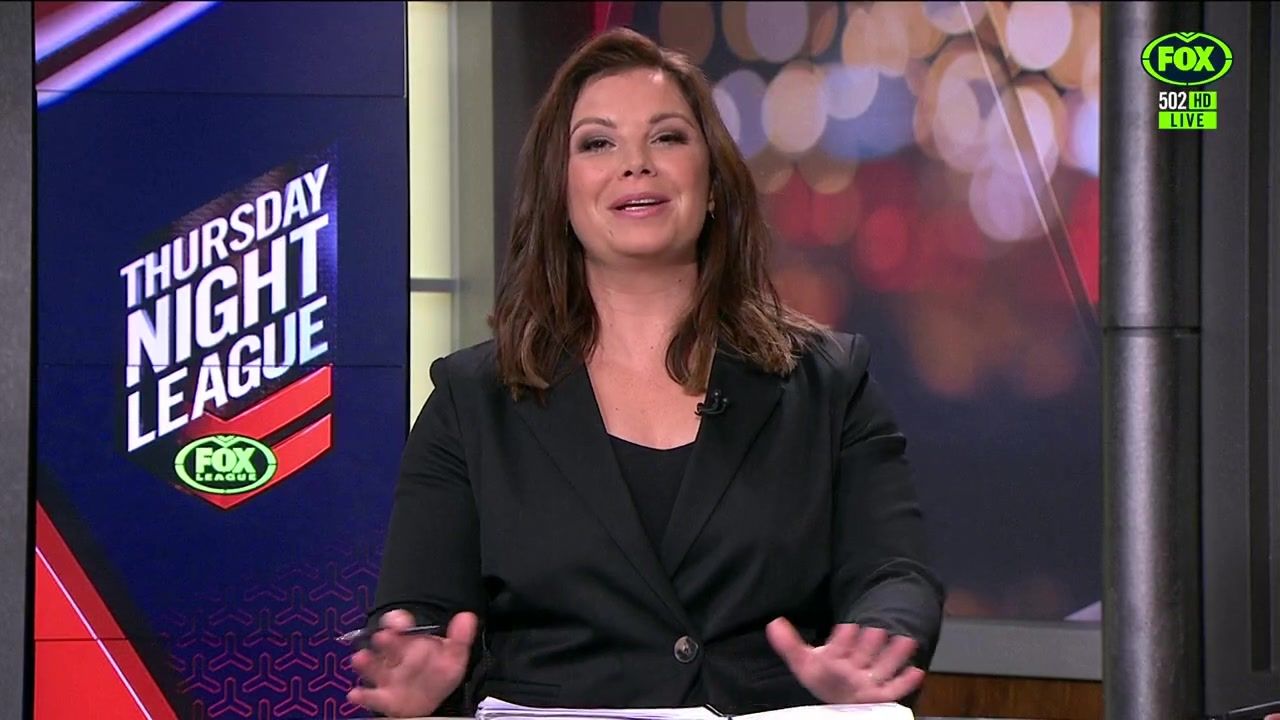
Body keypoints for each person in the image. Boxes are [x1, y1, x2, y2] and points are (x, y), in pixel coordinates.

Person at [348, 26, 944, 719]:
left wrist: (873, 642)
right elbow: (420, 614)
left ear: (713, 183)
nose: (636, 165)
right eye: (598, 144)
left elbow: (893, 572)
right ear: (559, 193)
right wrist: (420, 685)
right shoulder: (472, 401)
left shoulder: (830, 383)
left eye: (667, 137)